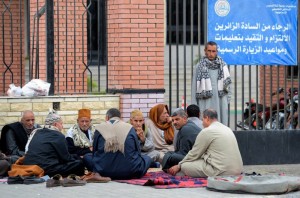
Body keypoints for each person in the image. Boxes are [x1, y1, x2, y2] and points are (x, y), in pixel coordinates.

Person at [168, 108, 243, 177]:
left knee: (185, 166)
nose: (202, 123)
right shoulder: (227, 128)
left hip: (221, 171)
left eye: (202, 119)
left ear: (206, 118)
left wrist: (179, 165)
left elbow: (194, 153)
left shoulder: (207, 131)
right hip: (238, 169)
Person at [83, 108, 152, 180]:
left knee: (87, 157)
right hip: (129, 171)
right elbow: (138, 151)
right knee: (147, 158)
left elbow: (94, 151)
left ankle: (97, 173)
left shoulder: (99, 128)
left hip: (102, 171)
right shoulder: (129, 128)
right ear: (120, 118)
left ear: (107, 118)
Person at [23, 110, 85, 177]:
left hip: (29, 167)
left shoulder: (36, 132)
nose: (62, 126)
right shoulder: (58, 135)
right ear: (55, 124)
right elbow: (66, 158)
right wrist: (78, 158)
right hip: (45, 169)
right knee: (79, 164)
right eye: (61, 124)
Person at [191, 41, 231, 126]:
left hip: (220, 101)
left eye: (213, 51)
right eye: (209, 51)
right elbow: (194, 86)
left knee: (220, 126)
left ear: (217, 52)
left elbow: (228, 86)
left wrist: (226, 101)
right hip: (205, 101)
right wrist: (194, 104)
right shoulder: (199, 66)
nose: (211, 53)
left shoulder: (223, 65)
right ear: (205, 51)